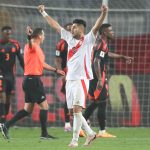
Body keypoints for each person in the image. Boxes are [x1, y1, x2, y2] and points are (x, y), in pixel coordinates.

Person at [38, 4, 108, 147]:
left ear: (82, 28)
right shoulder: (69, 38)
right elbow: (55, 26)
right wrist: (43, 12)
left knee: (77, 109)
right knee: (72, 112)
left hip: (81, 79)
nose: (72, 28)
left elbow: (96, 26)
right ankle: (90, 133)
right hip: (70, 79)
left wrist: (103, 14)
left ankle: (75, 140)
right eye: (72, 27)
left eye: (75, 26)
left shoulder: (89, 39)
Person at [0, 27, 65, 139]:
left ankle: (6, 125)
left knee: (27, 110)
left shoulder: (37, 48)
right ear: (39, 36)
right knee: (44, 106)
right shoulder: (32, 45)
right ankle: (44, 134)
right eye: (43, 34)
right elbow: (30, 44)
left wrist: (55, 70)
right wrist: (29, 37)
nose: (45, 37)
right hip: (33, 80)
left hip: (30, 81)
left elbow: (42, 64)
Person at [83, 23, 133, 138]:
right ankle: (101, 131)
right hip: (97, 77)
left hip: (94, 77)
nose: (113, 32)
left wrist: (122, 57)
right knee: (102, 102)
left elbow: (105, 54)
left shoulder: (100, 42)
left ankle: (81, 124)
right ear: (105, 32)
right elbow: (96, 61)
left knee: (96, 103)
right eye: (110, 30)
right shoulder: (101, 43)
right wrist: (100, 79)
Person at [0, 26, 24, 123]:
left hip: (11, 76)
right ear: (2, 33)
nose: (8, 35)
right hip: (1, 74)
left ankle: (4, 118)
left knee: (8, 100)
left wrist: (26, 71)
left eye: (9, 33)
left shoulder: (16, 44)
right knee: (2, 96)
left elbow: (21, 59)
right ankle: (2, 121)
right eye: (6, 33)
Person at [55, 23, 72, 132]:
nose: (70, 31)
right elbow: (57, 60)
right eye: (68, 29)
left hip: (79, 74)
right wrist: (62, 73)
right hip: (68, 73)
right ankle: (67, 123)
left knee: (79, 98)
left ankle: (82, 119)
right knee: (68, 98)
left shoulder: (79, 41)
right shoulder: (61, 43)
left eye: (72, 29)